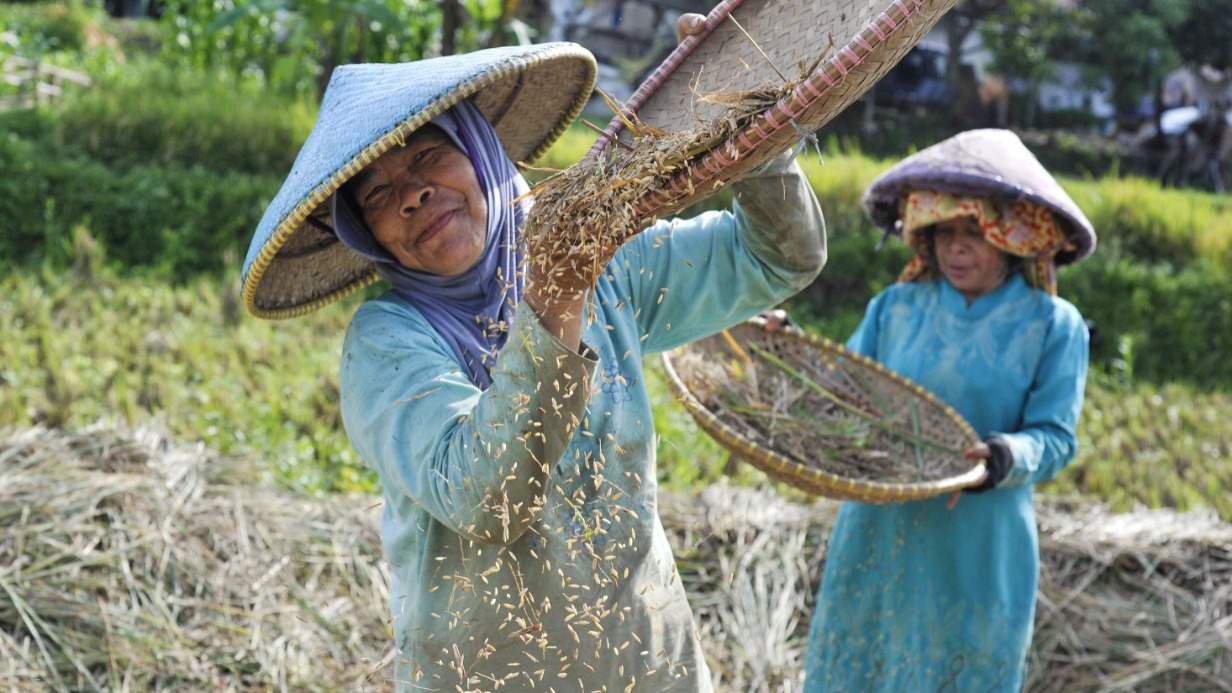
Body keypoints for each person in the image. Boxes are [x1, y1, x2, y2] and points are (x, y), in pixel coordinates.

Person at [240, 13, 826, 690]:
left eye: (428, 155)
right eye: (377, 194)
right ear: (368, 234)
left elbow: (779, 258)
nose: (412, 194)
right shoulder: (389, 344)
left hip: (647, 664)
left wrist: (746, 119)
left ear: (480, 150)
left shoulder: (596, 260)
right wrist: (555, 297)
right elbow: (487, 498)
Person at [802, 129, 1095, 691]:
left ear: (1011, 238)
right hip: (880, 532)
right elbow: (842, 391)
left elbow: (1055, 437)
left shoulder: (1053, 326)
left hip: (979, 543)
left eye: (975, 232)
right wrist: (786, 346)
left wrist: (1004, 457)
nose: (956, 247)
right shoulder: (894, 308)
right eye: (946, 232)